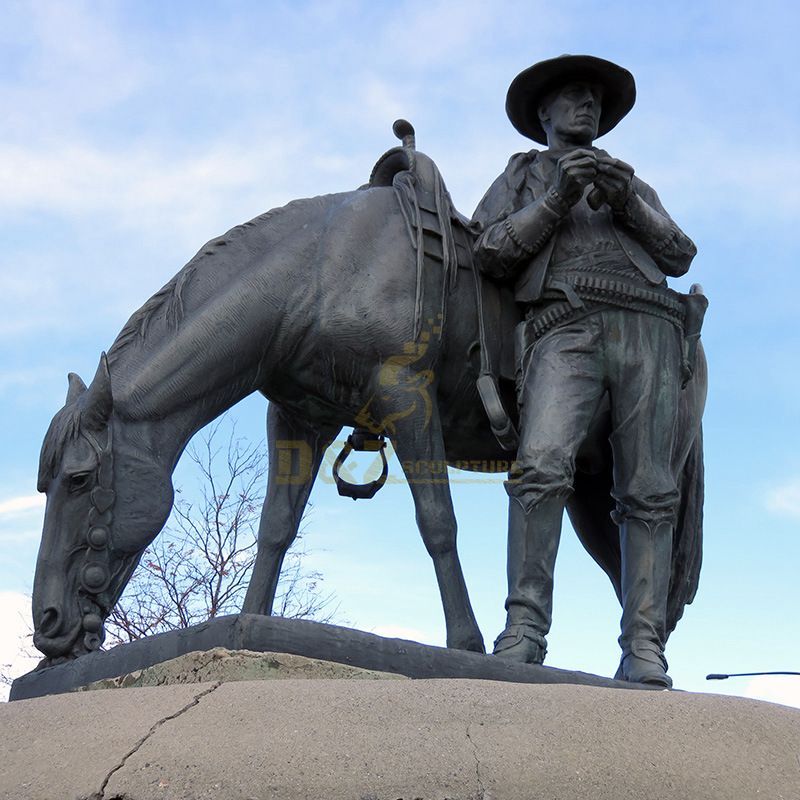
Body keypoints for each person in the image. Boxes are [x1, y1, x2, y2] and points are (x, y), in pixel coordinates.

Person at [471, 54, 697, 687]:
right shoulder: (523, 175)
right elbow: (489, 251)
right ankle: (524, 629)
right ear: (543, 113)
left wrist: (629, 204)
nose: (587, 105)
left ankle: (644, 644)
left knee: (651, 488)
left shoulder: (629, 181)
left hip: (648, 326)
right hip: (563, 325)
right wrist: (557, 198)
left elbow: (679, 254)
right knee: (541, 467)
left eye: (594, 99)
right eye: (573, 96)